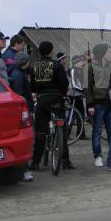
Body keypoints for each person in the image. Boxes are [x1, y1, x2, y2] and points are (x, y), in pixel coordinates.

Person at [30, 41, 75, 170]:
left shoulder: (36, 66)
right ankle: (65, 161)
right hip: (56, 99)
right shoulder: (56, 65)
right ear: (51, 51)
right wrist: (62, 93)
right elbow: (64, 84)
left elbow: (32, 86)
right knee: (61, 125)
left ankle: (35, 162)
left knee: (40, 132)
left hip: (42, 99)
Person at [87, 43, 111, 167]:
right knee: (97, 131)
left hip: (110, 103)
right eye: (109, 52)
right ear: (102, 53)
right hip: (97, 103)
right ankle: (97, 156)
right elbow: (87, 87)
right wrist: (90, 104)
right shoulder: (90, 67)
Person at [8, 51, 34, 182]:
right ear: (25, 62)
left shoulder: (16, 73)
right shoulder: (18, 75)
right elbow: (20, 94)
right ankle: (24, 170)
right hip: (23, 111)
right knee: (25, 140)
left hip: (24, 108)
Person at [68, 55, 88, 139]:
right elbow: (75, 83)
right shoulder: (73, 70)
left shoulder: (80, 70)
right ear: (75, 63)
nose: (81, 63)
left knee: (81, 114)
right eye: (80, 61)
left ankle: (80, 134)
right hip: (75, 95)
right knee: (73, 114)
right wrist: (82, 90)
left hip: (79, 95)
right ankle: (67, 133)